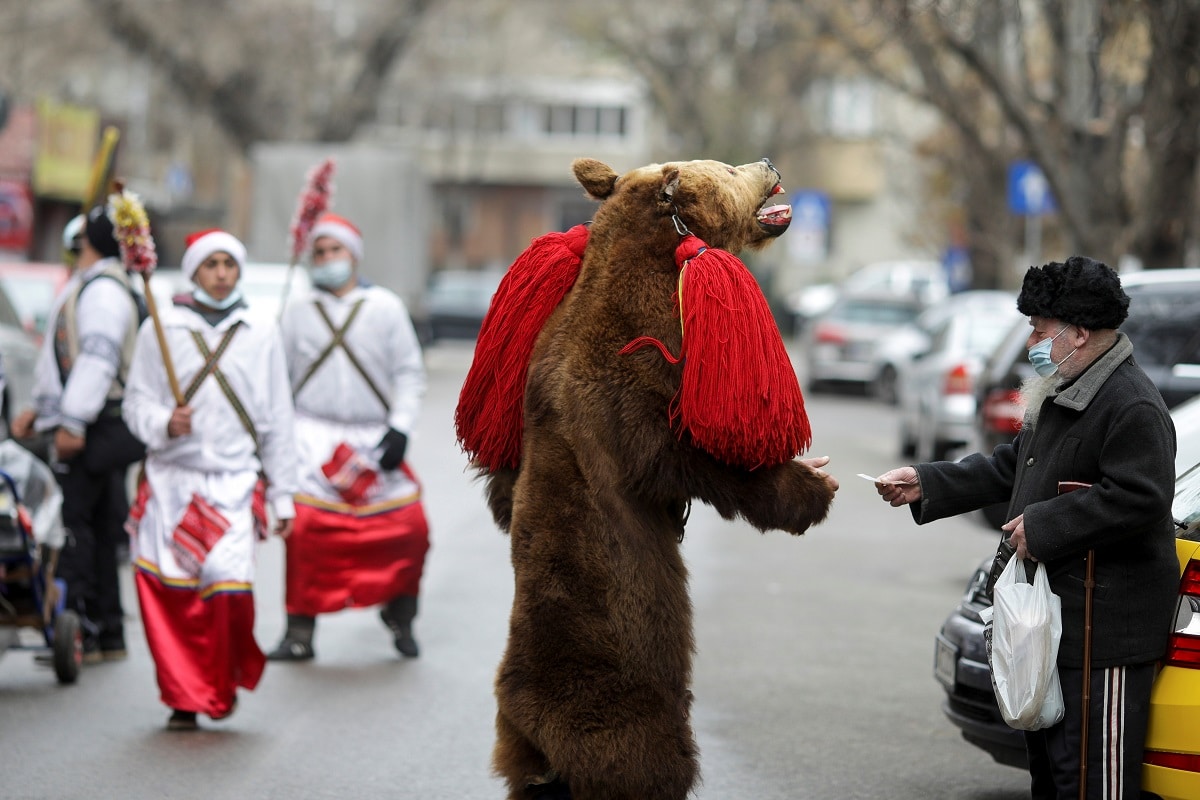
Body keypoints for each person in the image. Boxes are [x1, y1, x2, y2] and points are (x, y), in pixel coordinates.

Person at [873, 256, 1178, 799]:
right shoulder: (1068, 390)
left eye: (1039, 329)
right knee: (1055, 778)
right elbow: (1013, 466)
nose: (1032, 340)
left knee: (1093, 784)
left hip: (1103, 641)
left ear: (1079, 333)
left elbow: (1140, 498)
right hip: (1057, 632)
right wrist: (927, 482)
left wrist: (1043, 526)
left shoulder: (1130, 404)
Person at [122, 229, 297, 730]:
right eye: (211, 264)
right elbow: (136, 404)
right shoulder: (161, 329)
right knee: (171, 591)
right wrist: (163, 423)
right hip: (172, 482)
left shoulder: (260, 331)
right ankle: (183, 695)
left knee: (227, 587)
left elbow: (277, 420)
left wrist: (282, 496)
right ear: (193, 271)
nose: (222, 273)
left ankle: (219, 681)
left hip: (233, 484)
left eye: (230, 264)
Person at [269, 212, 430, 661]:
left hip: (372, 438)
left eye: (334, 250)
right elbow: (277, 380)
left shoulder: (386, 308)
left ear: (353, 255)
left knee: (409, 528)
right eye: (318, 253)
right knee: (305, 529)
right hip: (311, 439)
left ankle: (401, 613)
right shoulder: (296, 310)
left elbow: (409, 375)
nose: (326, 259)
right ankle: (299, 629)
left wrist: (399, 428)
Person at [10, 205, 142, 662]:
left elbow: (97, 361)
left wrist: (70, 422)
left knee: (73, 527)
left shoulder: (103, 291)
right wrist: (39, 411)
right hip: (93, 421)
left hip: (93, 426)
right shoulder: (97, 285)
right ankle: (107, 631)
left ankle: (81, 622)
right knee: (102, 526)